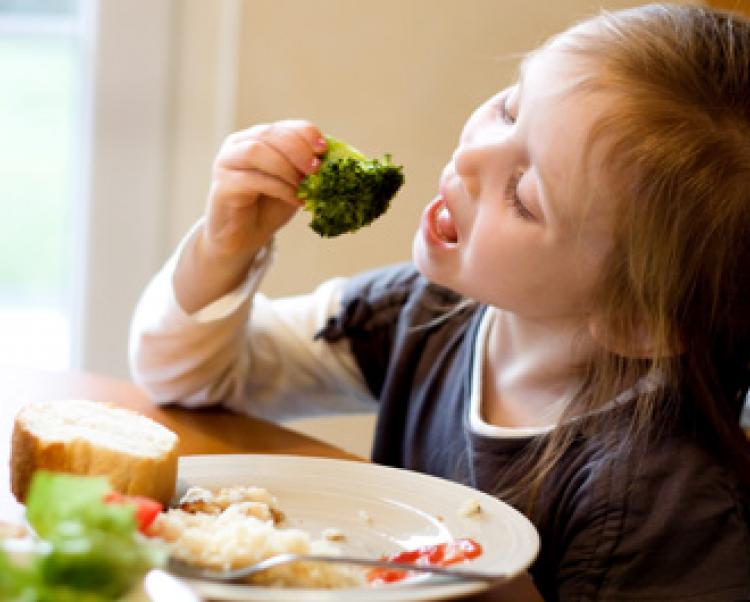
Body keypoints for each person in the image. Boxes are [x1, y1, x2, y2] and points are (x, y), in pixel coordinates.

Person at [129, 4, 750, 600]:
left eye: (525, 196)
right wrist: (224, 247)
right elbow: (192, 376)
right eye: (510, 109)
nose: (470, 157)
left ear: (633, 319)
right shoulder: (427, 313)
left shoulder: (660, 501)